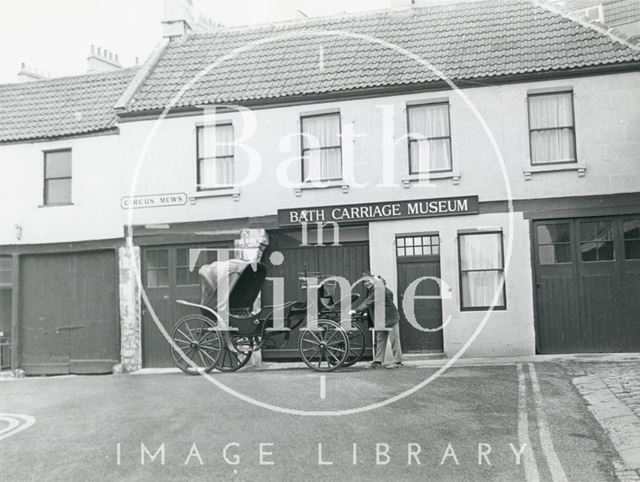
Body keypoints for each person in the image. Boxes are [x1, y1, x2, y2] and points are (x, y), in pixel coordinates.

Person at [349, 273, 403, 369]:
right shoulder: (373, 290)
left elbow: (369, 301)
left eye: (368, 281)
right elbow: (374, 302)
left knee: (394, 340)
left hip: (391, 318)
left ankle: (397, 362)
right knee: (380, 339)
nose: (366, 283)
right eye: (365, 282)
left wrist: (356, 310)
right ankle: (378, 361)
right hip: (381, 319)